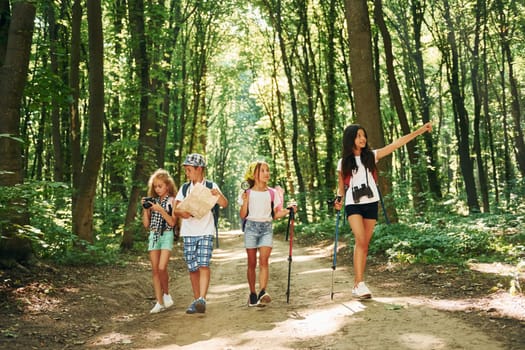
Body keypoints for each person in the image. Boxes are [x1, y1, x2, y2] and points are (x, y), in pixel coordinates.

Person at [334, 122, 432, 299]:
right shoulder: (343, 162)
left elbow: (396, 144)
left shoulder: (372, 156)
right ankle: (359, 283)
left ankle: (358, 284)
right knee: (361, 240)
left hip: (371, 203)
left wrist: (420, 131)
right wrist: (338, 199)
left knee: (365, 244)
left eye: (364, 135)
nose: (363, 139)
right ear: (350, 139)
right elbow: (341, 187)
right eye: (358, 136)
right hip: (353, 204)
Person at [173, 153, 228, 314]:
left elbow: (224, 203)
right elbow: (176, 209)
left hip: (205, 230)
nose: (187, 173)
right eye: (186, 170)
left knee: (204, 264)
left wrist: (217, 195)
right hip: (189, 232)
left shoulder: (211, 185)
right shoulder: (184, 188)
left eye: (189, 170)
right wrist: (183, 213)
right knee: (193, 268)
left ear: (200, 169)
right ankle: (197, 300)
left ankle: (202, 298)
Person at [239, 161, 297, 307]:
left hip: (266, 228)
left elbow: (276, 214)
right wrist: (245, 201)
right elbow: (243, 214)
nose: (267, 173)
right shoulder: (248, 192)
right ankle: (252, 293)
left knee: (264, 261)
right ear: (255, 174)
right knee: (251, 263)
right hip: (251, 228)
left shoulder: (272, 193)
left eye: (268, 170)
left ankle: (262, 292)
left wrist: (289, 210)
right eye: (263, 170)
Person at [142, 169, 178, 314]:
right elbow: (146, 225)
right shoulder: (152, 201)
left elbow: (172, 222)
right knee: (155, 270)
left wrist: (161, 210)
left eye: (160, 186)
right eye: (155, 186)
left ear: (167, 186)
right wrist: (146, 209)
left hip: (167, 235)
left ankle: (167, 294)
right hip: (154, 236)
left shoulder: (172, 201)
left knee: (162, 267)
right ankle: (159, 302)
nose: (157, 189)